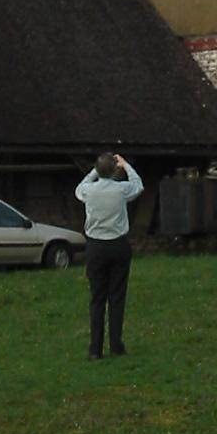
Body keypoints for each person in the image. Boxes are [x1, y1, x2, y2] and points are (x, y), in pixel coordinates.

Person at [75, 152, 143, 359]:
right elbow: (138, 185)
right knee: (117, 297)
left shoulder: (88, 190)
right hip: (118, 245)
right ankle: (116, 345)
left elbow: (79, 186)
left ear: (98, 170)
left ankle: (95, 349)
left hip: (96, 246)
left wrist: (96, 170)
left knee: (97, 298)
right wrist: (126, 165)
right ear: (115, 170)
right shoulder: (121, 190)